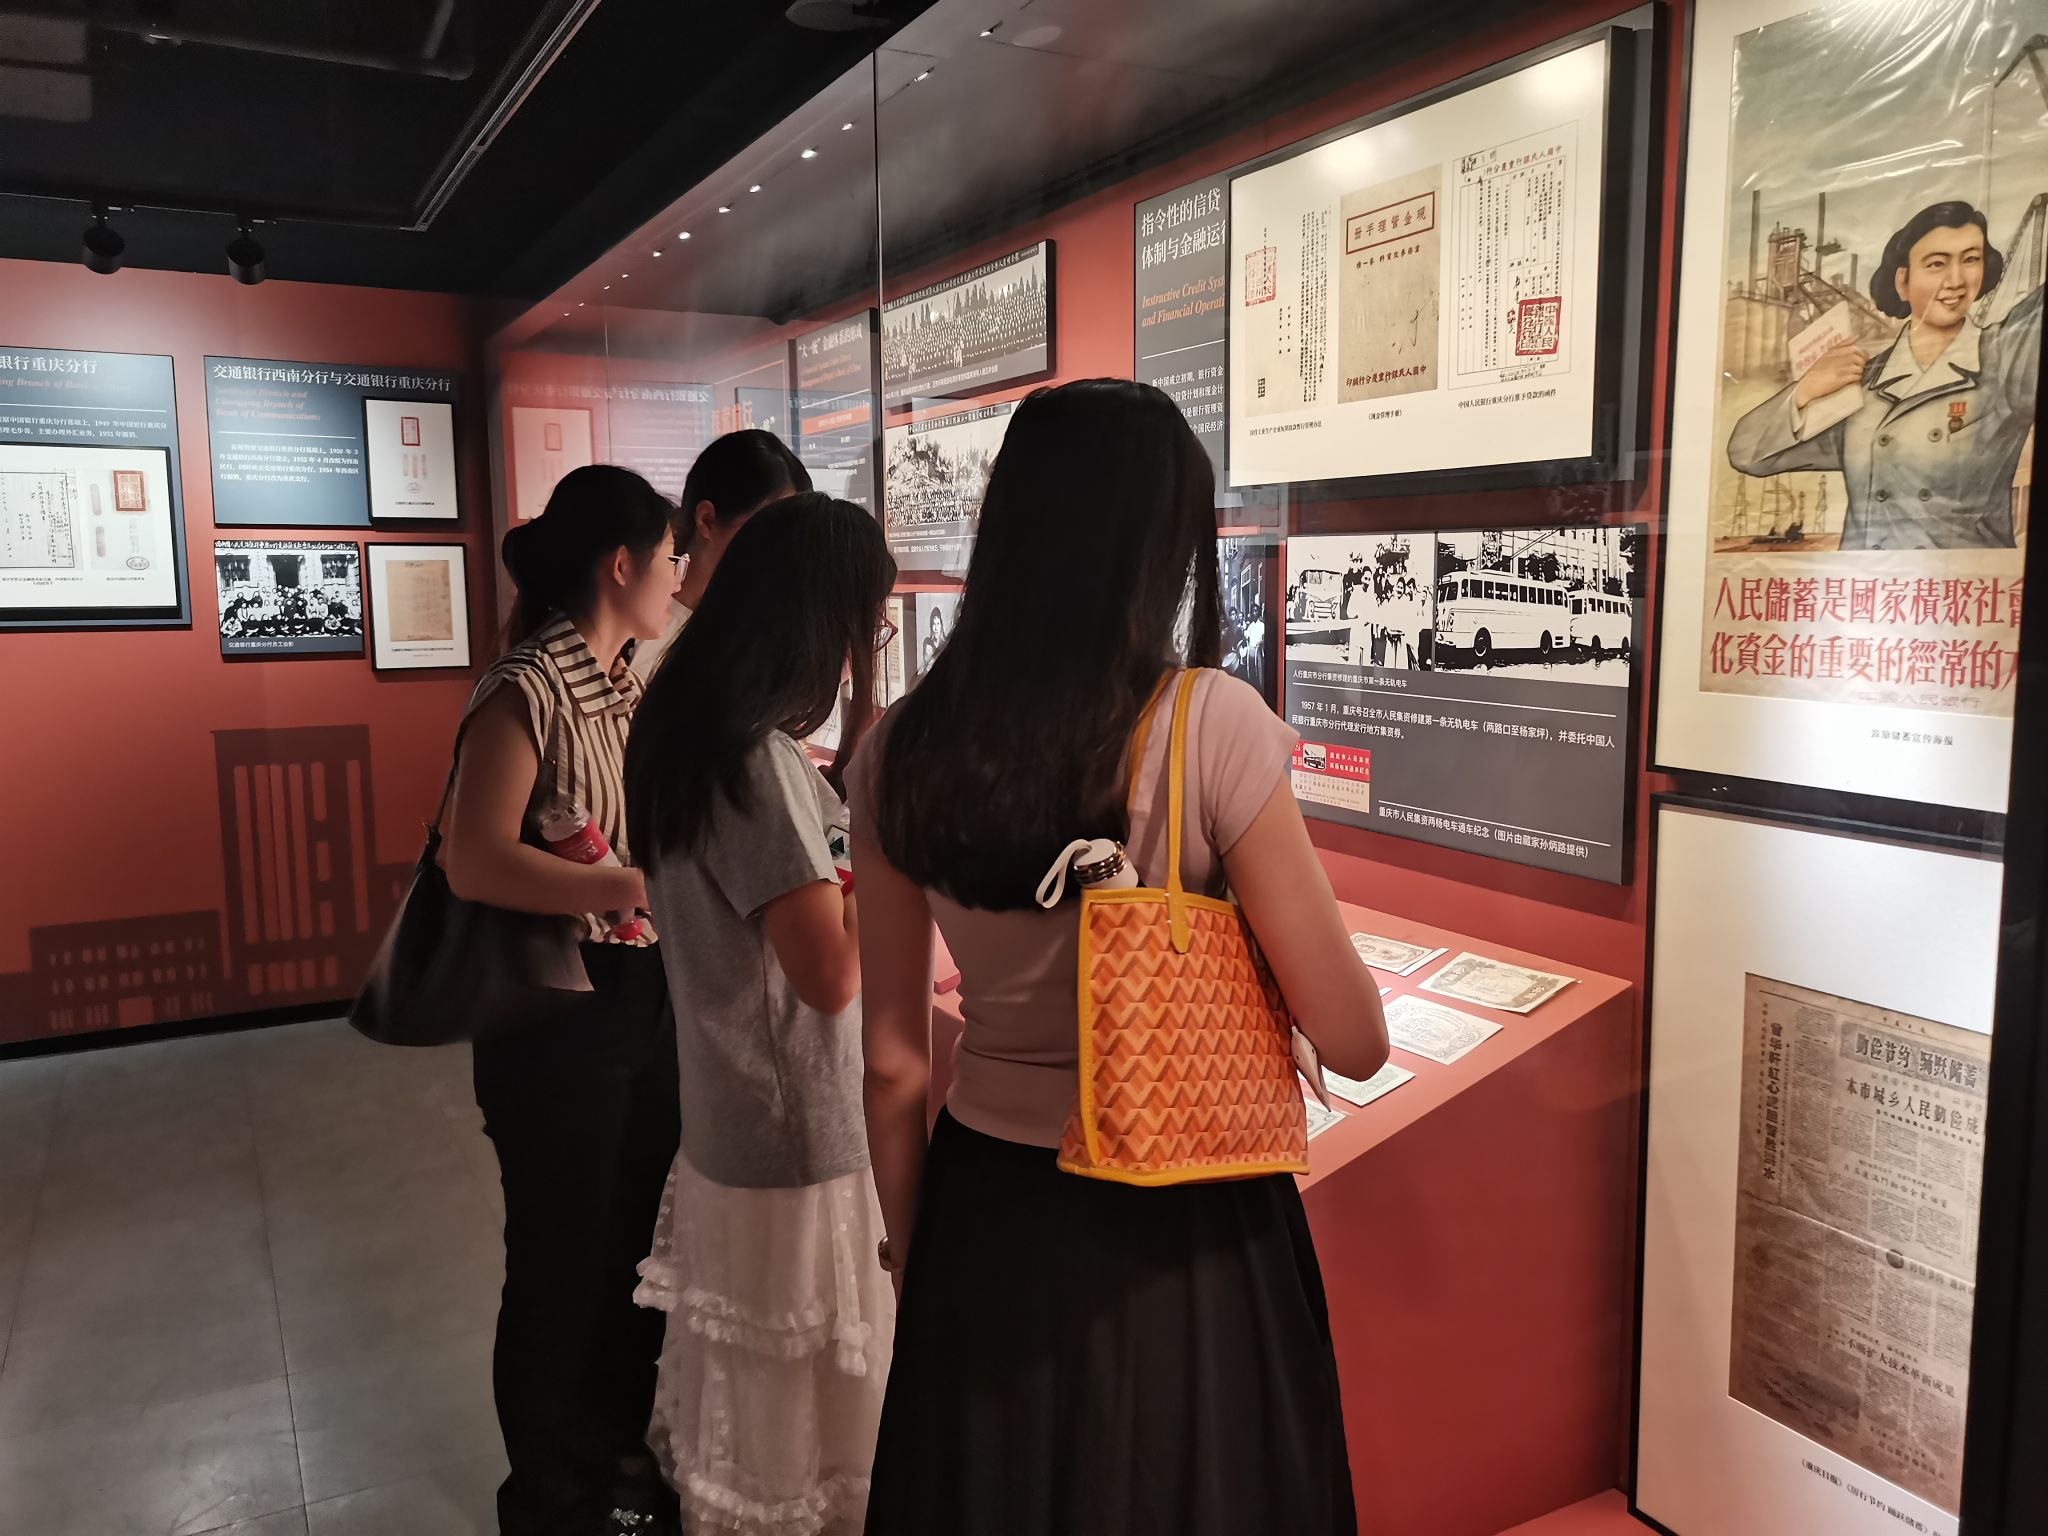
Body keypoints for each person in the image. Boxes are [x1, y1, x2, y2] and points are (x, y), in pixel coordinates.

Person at [849, 379, 1390, 1536]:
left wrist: (913, 1252)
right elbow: (1353, 1040)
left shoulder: (897, 750)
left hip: (987, 1208)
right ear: (1155, 547)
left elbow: (891, 1063)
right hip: (1184, 1218)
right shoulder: (1207, 723)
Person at [624, 493, 900, 1535]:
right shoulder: (755, 763)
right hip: (797, 1138)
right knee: (810, 1418)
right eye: (866, 627)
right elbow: (830, 974)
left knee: (752, 1404)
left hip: (728, 1117)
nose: (862, 653)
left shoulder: (684, 731)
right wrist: (880, 847)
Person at [440, 464, 684, 1536]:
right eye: (670, 556)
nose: (678, 575)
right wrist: (630, 883)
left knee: (630, 1240)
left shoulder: (623, 684)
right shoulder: (526, 685)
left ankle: (616, 1459)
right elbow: (473, 860)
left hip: (637, 994)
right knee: (558, 1257)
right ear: (621, 564)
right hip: (554, 1012)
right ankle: (547, 1495)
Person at [1728, 200, 2042, 550]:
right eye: (1937, 264)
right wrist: (1805, 390)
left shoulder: (2003, 356)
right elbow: (1747, 455)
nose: (1956, 280)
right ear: (1903, 281)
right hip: (1865, 579)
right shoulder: (1863, 381)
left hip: (1965, 580)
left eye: (1970, 260)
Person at [634, 429, 812, 677]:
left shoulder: (768, 631)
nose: (780, 550)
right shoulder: (637, 624)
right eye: (767, 530)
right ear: (706, 520)